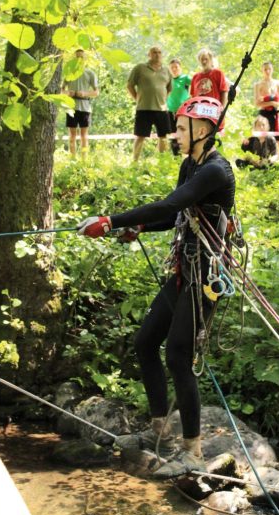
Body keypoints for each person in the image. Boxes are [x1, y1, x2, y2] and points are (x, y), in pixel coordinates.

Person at [78, 96, 235, 479]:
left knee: (178, 355)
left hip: (207, 277)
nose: (174, 133)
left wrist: (111, 220)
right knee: (146, 341)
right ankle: (160, 430)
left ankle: (193, 451)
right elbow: (178, 214)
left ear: (203, 131)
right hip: (185, 268)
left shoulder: (216, 171)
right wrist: (140, 227)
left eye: (181, 128)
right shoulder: (190, 165)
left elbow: (169, 205)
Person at [127, 46, 172, 161]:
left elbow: (169, 88)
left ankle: (162, 161)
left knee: (163, 137)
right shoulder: (140, 68)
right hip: (144, 108)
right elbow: (130, 85)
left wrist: (163, 99)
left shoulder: (166, 70)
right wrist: (136, 98)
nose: (157, 54)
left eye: (159, 52)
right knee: (140, 136)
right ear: (149, 55)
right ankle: (135, 161)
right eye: (154, 52)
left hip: (161, 109)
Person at [62, 49, 98, 158]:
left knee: (84, 135)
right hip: (71, 107)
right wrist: (68, 93)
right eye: (77, 57)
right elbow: (61, 90)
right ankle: (72, 159)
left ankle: (84, 160)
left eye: (81, 57)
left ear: (85, 59)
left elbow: (96, 92)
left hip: (85, 107)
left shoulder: (90, 73)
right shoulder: (69, 73)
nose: (79, 59)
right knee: (72, 135)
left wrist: (85, 93)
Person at [254, 61, 279, 160]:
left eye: (269, 69)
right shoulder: (258, 84)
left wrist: (275, 98)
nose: (267, 71)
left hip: (275, 114)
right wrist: (270, 102)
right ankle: (261, 161)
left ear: (272, 70)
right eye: (265, 69)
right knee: (262, 137)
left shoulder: (277, 83)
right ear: (262, 71)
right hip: (264, 114)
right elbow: (257, 102)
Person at [167, 58, 191, 156]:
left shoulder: (185, 78)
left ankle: (189, 155)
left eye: (176, 67)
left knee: (184, 133)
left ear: (180, 68)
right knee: (173, 135)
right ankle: (176, 158)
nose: (174, 69)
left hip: (182, 112)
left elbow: (197, 84)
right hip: (169, 112)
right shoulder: (167, 80)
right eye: (172, 68)